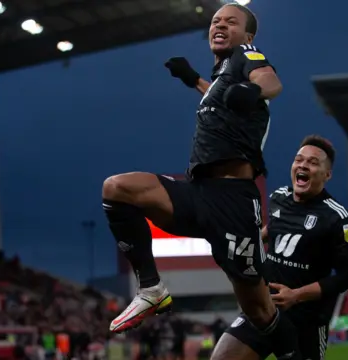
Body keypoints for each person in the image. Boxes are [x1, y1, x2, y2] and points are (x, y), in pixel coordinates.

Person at [101, 3, 301, 359]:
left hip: (234, 202)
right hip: (198, 193)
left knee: (259, 311)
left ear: (248, 35)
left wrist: (256, 92)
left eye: (231, 21)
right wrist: (193, 79)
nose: (219, 25)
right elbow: (219, 96)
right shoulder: (224, 72)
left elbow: (271, 82)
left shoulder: (247, 54)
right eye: (215, 21)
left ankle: (291, 353)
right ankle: (151, 289)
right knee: (118, 188)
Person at [211, 135, 348, 360]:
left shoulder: (337, 218)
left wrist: (296, 295)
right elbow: (274, 230)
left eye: (312, 162)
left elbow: (344, 277)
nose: (303, 165)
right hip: (265, 309)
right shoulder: (279, 198)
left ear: (327, 175)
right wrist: (244, 242)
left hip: (306, 321)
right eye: (299, 159)